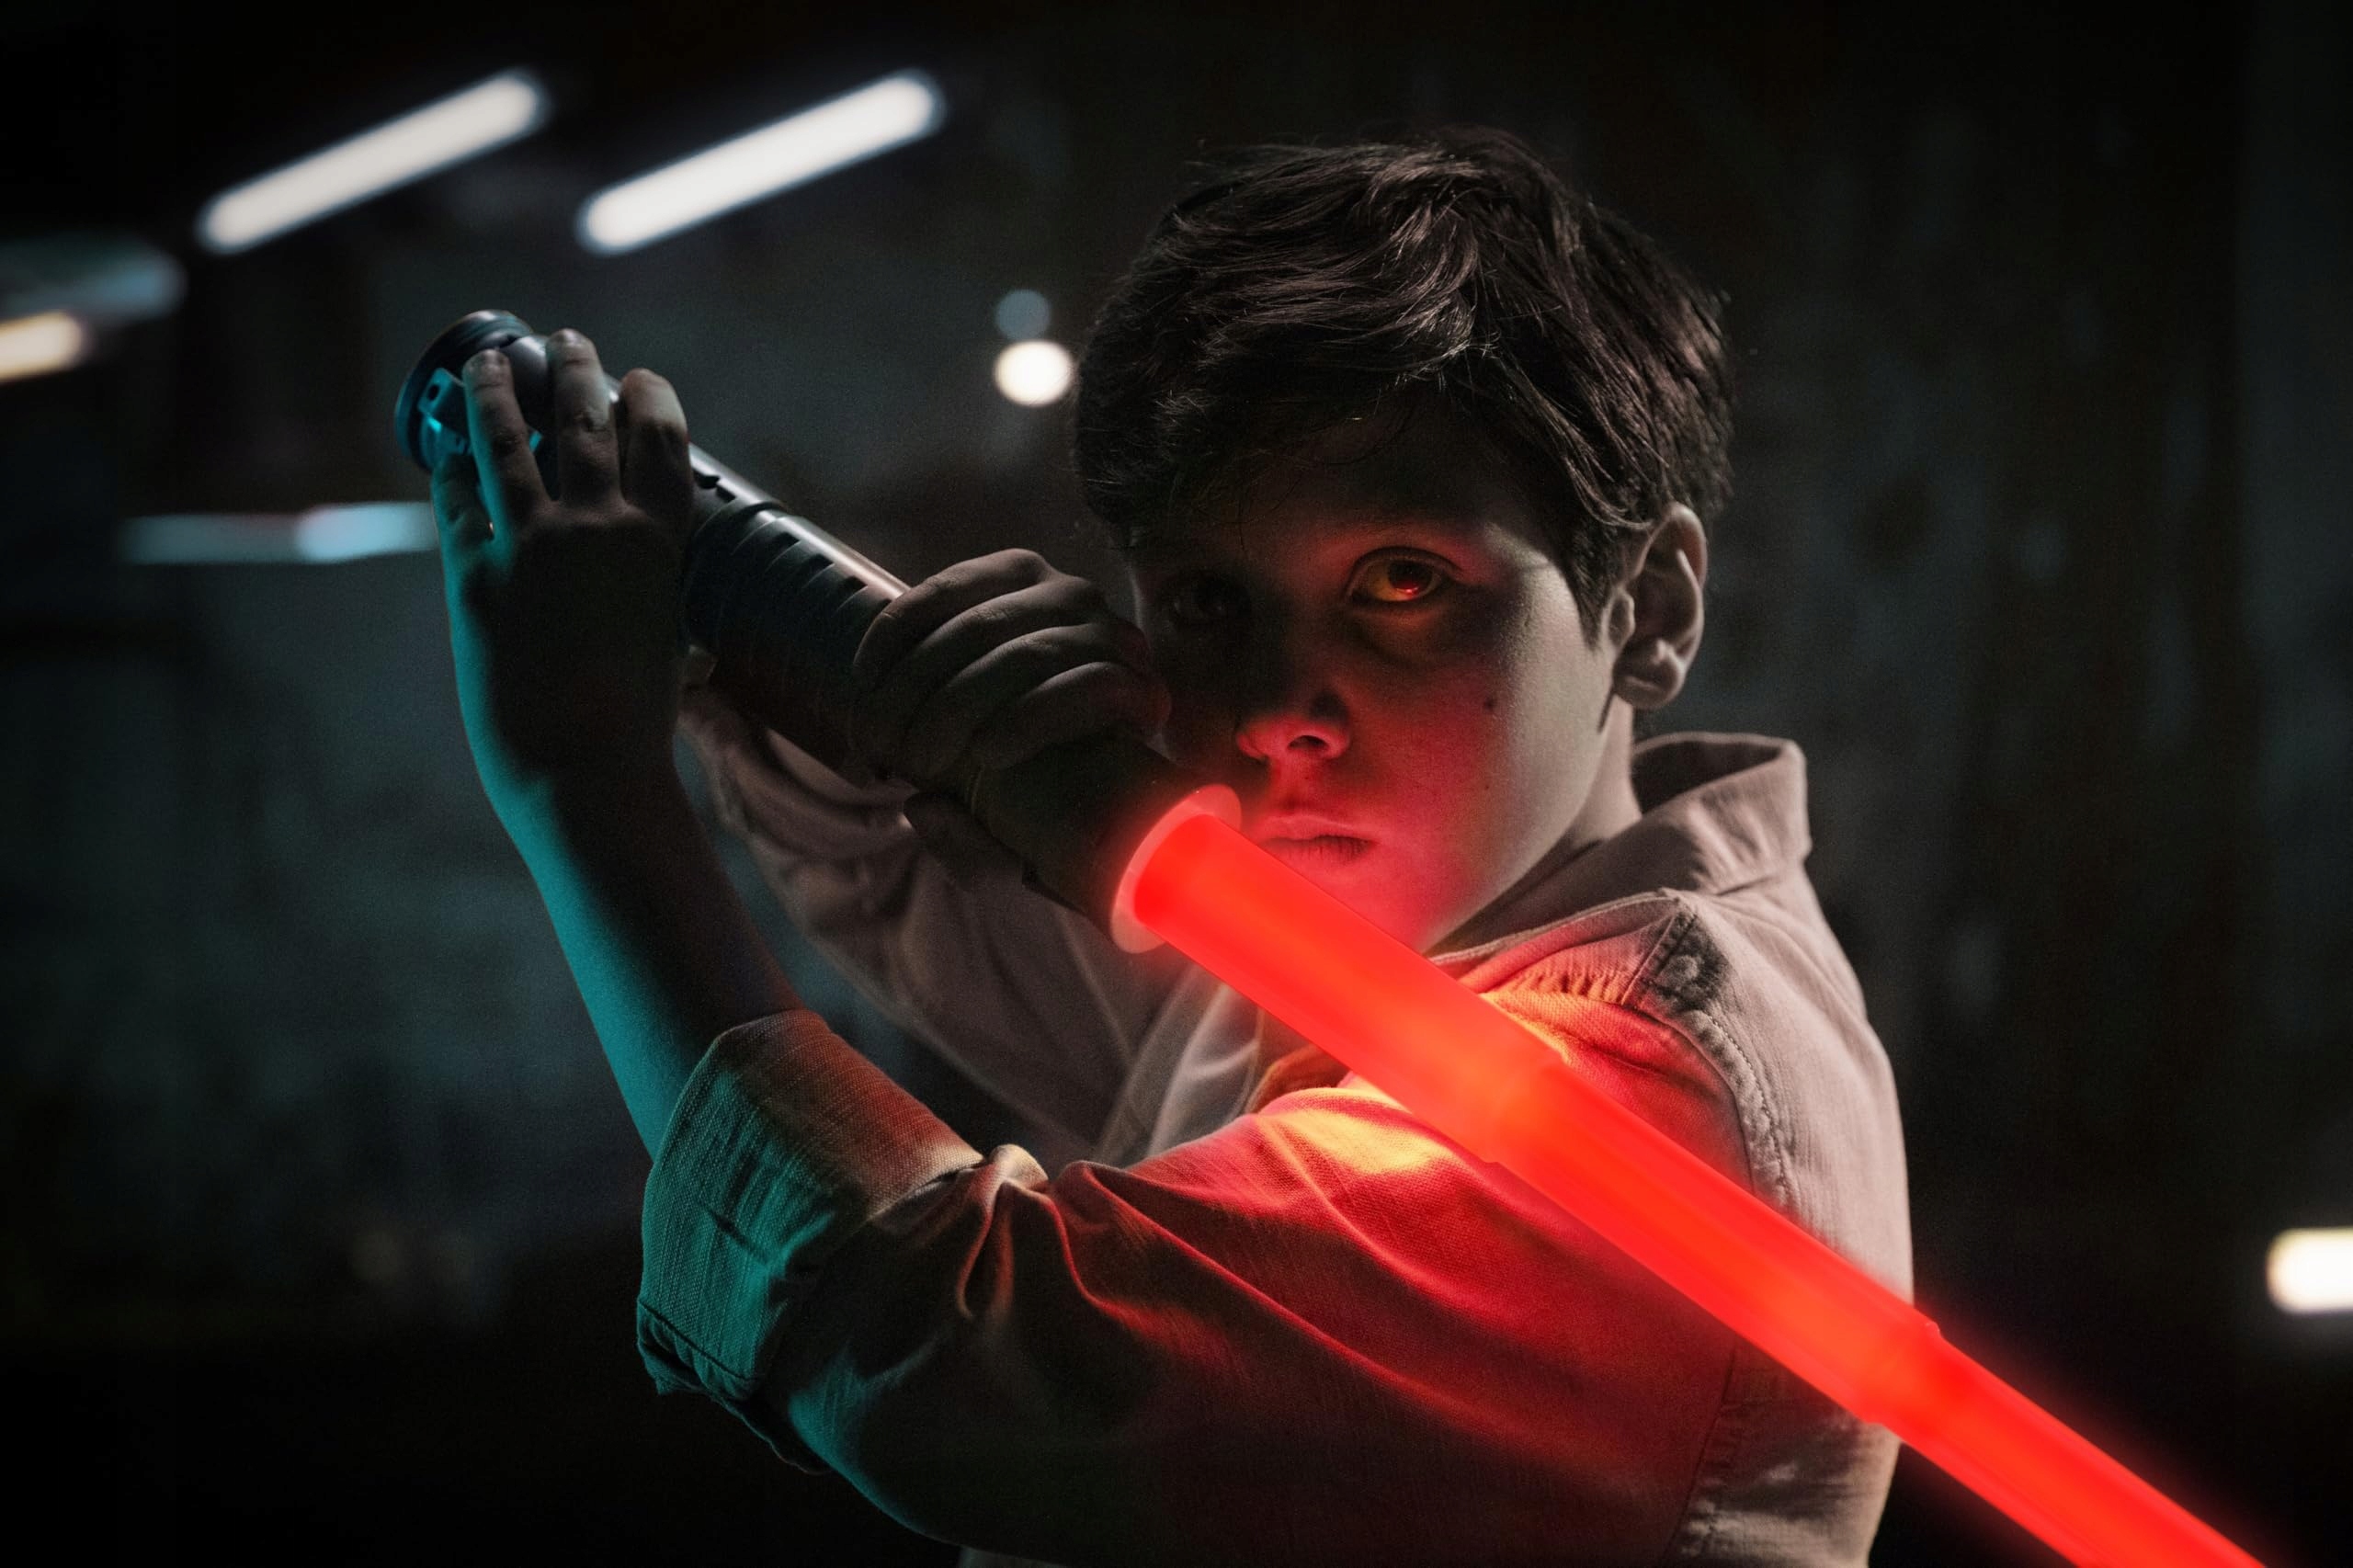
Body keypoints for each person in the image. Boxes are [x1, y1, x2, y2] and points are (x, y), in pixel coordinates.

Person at [427, 130, 1911, 1566]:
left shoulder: (1636, 1104)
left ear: (1649, 608)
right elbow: (897, 887)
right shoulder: (1376, 942)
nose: (1270, 712)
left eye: (1401, 581)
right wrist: (913, 710)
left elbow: (930, 1352)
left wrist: (583, 779)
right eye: (1207, 600)